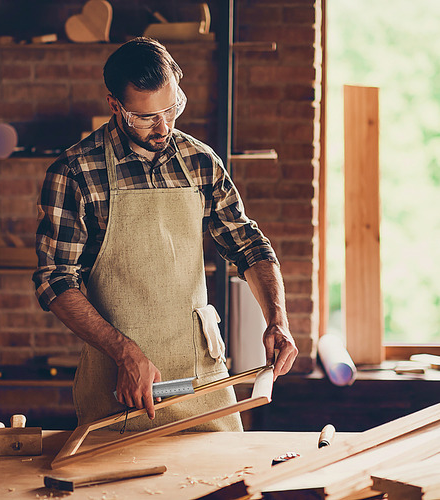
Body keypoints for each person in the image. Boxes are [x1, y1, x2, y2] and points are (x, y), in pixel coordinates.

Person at [33, 37, 298, 432]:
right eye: (146, 117)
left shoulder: (200, 162)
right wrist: (123, 353)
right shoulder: (75, 173)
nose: (164, 127)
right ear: (114, 106)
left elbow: (249, 247)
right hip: (119, 387)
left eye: (172, 108)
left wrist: (277, 319)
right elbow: (55, 280)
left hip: (202, 381)